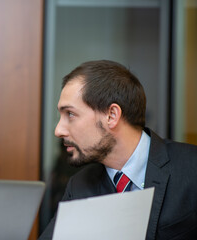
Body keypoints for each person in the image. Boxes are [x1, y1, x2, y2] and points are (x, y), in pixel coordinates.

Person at [39, 60, 197, 240]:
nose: (58, 130)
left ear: (112, 116)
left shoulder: (192, 168)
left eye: (71, 114)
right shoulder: (79, 186)